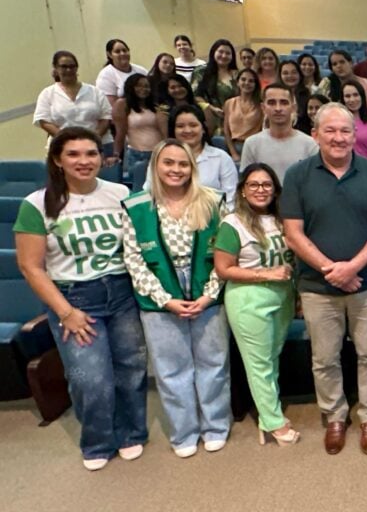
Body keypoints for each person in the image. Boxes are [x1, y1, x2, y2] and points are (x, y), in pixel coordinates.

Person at [14, 128, 148, 471]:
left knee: (130, 369)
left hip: (121, 291)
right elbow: (31, 267)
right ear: (58, 160)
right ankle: (98, 441)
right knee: (90, 377)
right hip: (73, 297)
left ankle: (132, 433)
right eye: (73, 154)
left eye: (91, 153)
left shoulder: (120, 193)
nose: (84, 161)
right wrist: (65, 311)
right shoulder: (38, 203)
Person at [280, 103, 367, 456]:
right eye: (330, 130)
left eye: (345, 131)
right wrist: (332, 269)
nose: (338, 137)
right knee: (325, 357)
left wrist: (352, 267)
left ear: (354, 135)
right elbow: (292, 233)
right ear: (315, 134)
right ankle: (334, 416)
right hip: (317, 286)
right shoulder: (298, 175)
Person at [122, 139, 229, 458]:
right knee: (171, 369)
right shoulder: (136, 205)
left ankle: (215, 426)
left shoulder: (213, 201)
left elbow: (226, 252)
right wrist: (164, 298)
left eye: (183, 164)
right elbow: (134, 259)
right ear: (156, 166)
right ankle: (184, 432)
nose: (176, 170)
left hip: (207, 290)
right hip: (159, 295)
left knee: (213, 363)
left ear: (192, 168)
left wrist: (210, 294)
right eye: (168, 163)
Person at [213, 163, 300, 447]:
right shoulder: (232, 223)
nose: (261, 190)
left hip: (283, 295)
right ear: (242, 190)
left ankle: (266, 417)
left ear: (275, 190)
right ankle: (274, 422)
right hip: (249, 299)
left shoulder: (281, 220)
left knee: (272, 359)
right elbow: (224, 268)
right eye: (254, 184)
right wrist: (265, 274)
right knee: (258, 363)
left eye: (266, 185)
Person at [150, 104, 238, 210]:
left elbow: (230, 200)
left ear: (203, 128)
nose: (187, 130)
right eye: (180, 126)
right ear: (173, 130)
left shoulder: (221, 158)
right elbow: (150, 191)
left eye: (193, 125)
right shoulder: (161, 157)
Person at [34, 50, 114, 154]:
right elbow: (44, 121)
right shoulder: (47, 94)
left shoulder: (94, 91)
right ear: (56, 69)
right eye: (64, 66)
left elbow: (106, 117)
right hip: (62, 148)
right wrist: (68, 141)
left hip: (98, 145)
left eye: (72, 66)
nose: (68, 70)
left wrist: (92, 139)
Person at [240, 83, 319, 182]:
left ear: (293, 108)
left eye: (284, 102)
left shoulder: (310, 144)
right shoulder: (251, 144)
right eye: (272, 103)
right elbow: (247, 184)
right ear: (263, 107)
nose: (278, 108)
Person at [113, 74, 164, 178]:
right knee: (139, 190)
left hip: (158, 153)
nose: (144, 89)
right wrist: (116, 154)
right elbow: (120, 133)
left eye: (147, 86)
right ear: (131, 86)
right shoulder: (122, 104)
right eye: (139, 86)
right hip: (137, 154)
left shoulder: (154, 106)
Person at [192, 39, 239, 132]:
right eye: (221, 52)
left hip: (234, 121)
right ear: (213, 52)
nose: (224, 56)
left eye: (228, 53)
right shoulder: (201, 71)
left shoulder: (236, 74)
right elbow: (194, 95)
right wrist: (212, 108)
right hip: (210, 119)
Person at [318, 50, 367, 116]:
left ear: (351, 63)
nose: (339, 66)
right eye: (334, 64)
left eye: (342, 62)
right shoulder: (326, 83)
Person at [222, 68, 264, 159]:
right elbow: (226, 131)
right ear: (237, 82)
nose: (247, 83)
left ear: (255, 85)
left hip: (253, 148)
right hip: (233, 147)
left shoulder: (261, 106)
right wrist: (233, 153)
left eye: (251, 81)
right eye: (243, 79)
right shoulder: (229, 103)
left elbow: (263, 130)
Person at [95, 39, 147, 110]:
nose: (122, 53)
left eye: (125, 50)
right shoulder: (105, 75)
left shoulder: (141, 70)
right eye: (117, 51)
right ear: (109, 55)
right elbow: (111, 107)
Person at [341, 79, 367, 161]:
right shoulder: (338, 123)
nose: (352, 99)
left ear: (362, 97)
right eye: (347, 96)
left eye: (356, 95)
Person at [280, 60, 313, 135]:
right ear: (280, 76)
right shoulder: (275, 96)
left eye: (294, 72)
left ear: (299, 75)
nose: (290, 76)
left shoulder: (308, 94)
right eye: (285, 73)